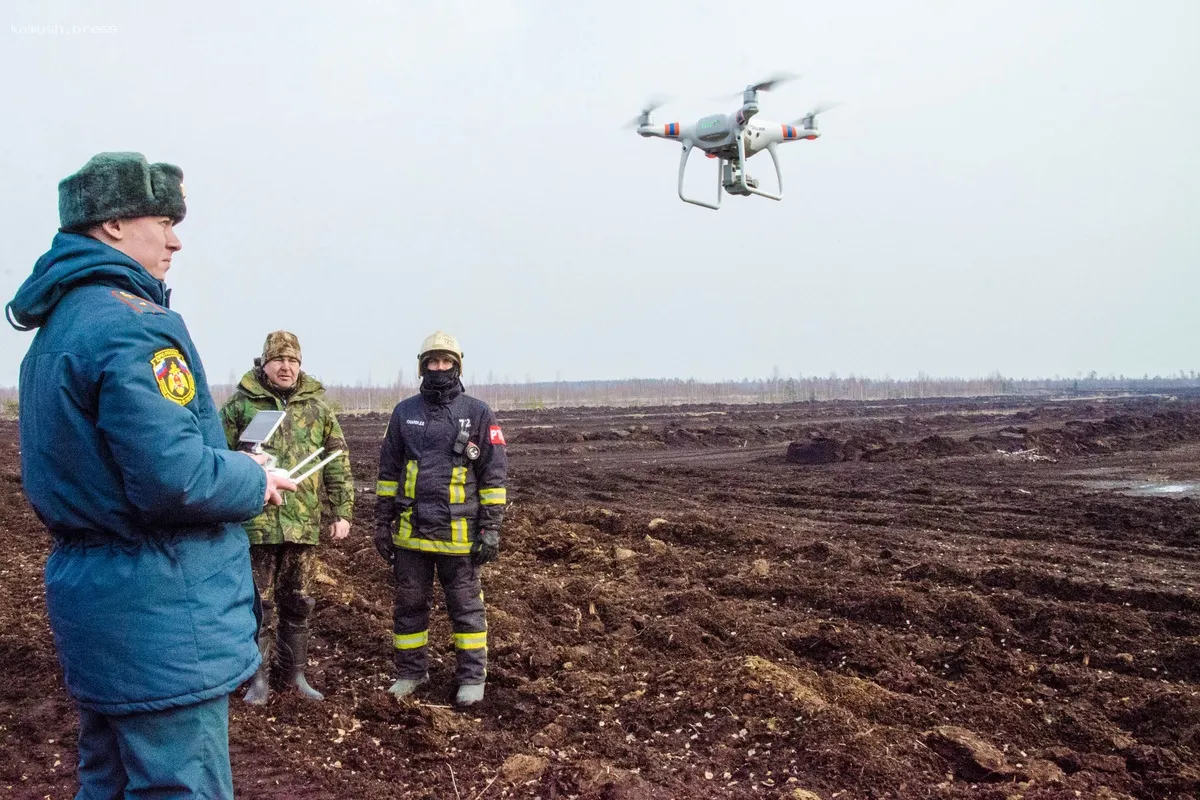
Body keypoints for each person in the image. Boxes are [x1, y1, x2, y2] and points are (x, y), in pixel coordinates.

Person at [5, 152, 296, 798]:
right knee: (178, 785)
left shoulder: (55, 332)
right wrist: (252, 478)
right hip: (162, 614)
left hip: (97, 606)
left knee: (107, 782)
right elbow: (175, 479)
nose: (175, 241)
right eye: (163, 222)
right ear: (113, 225)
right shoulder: (133, 328)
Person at [219, 330, 355, 704]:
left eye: (293, 360)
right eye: (279, 359)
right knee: (257, 605)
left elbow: (337, 461)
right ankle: (256, 679)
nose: (286, 367)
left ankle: (293, 676)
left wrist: (341, 511)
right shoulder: (240, 407)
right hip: (255, 523)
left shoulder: (318, 409)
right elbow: (217, 456)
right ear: (264, 363)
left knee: (299, 601)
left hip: (302, 523)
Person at [374, 331, 508, 706]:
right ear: (422, 367)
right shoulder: (404, 413)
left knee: (466, 609)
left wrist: (490, 529)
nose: (439, 367)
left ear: (457, 366)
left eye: (446, 361)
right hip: (411, 533)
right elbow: (388, 473)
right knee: (409, 608)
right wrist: (382, 523)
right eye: (432, 361)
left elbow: (493, 477)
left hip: (460, 535)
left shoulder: (478, 413)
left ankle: (472, 678)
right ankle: (410, 673)